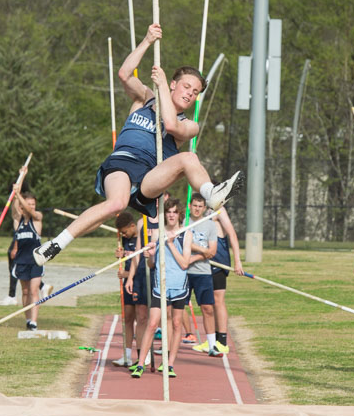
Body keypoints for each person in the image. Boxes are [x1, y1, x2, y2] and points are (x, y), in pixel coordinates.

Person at [34, 23, 238, 266]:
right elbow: (124, 74)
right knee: (117, 204)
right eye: (186, 87)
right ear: (174, 83)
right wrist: (148, 40)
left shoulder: (189, 124)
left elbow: (171, 126)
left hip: (150, 176)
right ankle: (56, 244)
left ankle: (211, 194)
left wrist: (162, 86)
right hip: (123, 162)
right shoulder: (144, 98)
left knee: (189, 159)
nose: (190, 94)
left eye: (195, 92)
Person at [131, 199, 197, 379]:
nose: (171, 215)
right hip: (160, 285)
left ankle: (169, 364)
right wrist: (149, 256)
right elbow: (152, 264)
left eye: (175, 212)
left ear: (179, 214)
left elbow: (184, 264)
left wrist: (169, 244)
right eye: (168, 212)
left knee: (176, 324)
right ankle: (140, 363)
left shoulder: (186, 234)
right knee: (152, 324)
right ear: (164, 214)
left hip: (179, 286)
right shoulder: (157, 233)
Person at [195, 205, 242, 357]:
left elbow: (232, 234)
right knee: (208, 303)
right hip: (204, 263)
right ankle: (212, 340)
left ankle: (222, 342)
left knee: (218, 300)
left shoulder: (219, 210)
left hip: (219, 261)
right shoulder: (201, 208)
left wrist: (237, 261)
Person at [180, 193, 220, 353]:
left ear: (204, 208)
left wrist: (193, 256)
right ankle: (168, 345)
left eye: (200, 206)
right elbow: (182, 243)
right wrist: (201, 249)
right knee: (176, 308)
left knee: (207, 308)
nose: (197, 209)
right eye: (194, 206)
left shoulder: (210, 225)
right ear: (190, 206)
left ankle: (212, 345)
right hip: (183, 271)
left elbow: (212, 252)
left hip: (203, 272)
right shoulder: (183, 222)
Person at [111, 210, 148, 367]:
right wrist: (120, 255)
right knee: (127, 318)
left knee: (142, 318)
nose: (124, 235)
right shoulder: (124, 241)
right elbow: (126, 258)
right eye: (121, 233)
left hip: (140, 282)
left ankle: (143, 355)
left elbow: (141, 264)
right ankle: (126, 356)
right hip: (128, 284)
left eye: (125, 232)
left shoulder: (143, 238)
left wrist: (127, 274)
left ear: (133, 226)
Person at [8, 190, 44, 331]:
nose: (32, 207)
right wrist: (20, 181)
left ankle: (34, 322)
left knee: (34, 291)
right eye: (29, 204)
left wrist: (18, 195)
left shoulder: (37, 219)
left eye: (34, 204)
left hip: (36, 261)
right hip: (22, 261)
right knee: (24, 292)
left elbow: (31, 211)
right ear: (22, 207)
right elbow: (14, 207)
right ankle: (28, 320)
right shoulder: (18, 221)